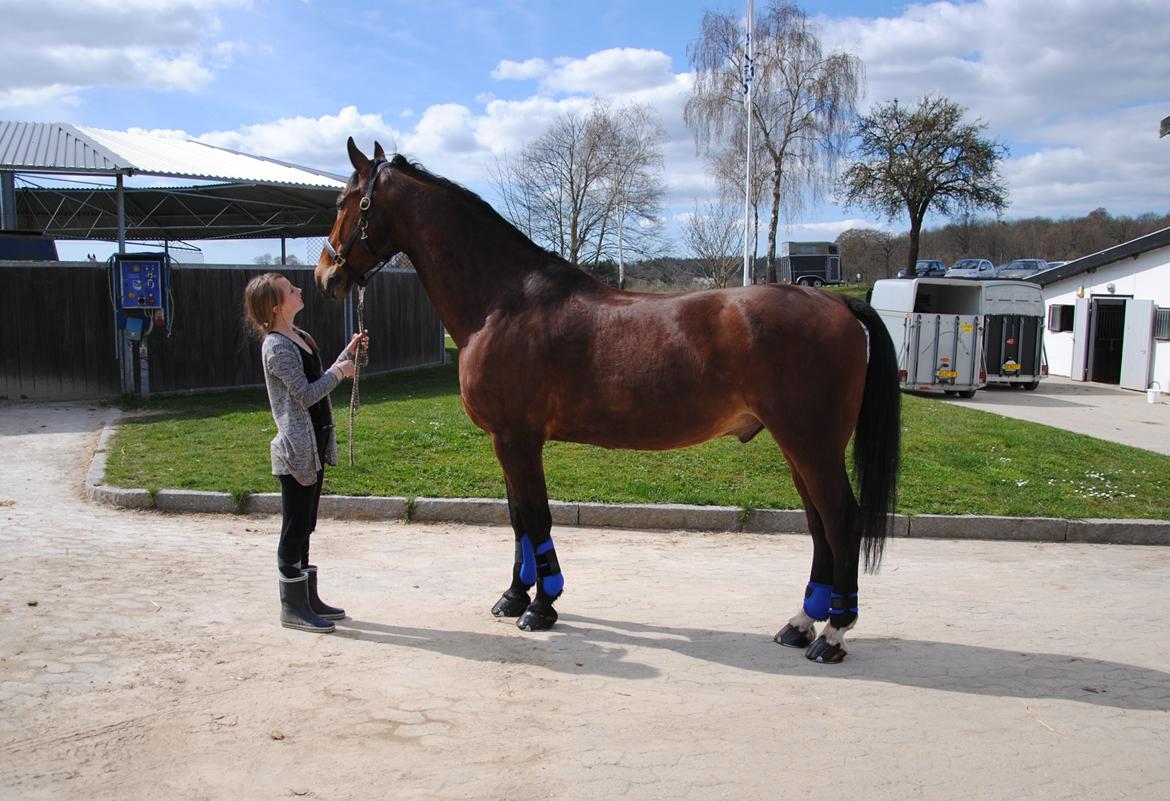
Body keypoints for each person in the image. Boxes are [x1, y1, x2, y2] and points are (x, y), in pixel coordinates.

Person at [242, 272, 368, 633]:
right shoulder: (277, 347)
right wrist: (340, 372)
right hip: (296, 452)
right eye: (290, 290)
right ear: (276, 306)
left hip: (314, 446)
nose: (299, 290)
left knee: (307, 525)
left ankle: (308, 600)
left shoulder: (300, 337)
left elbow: (317, 374)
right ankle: (293, 608)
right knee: (294, 528)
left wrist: (349, 351)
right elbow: (306, 393)